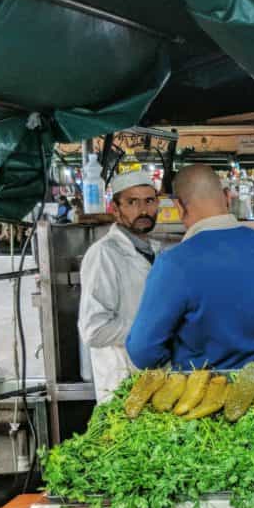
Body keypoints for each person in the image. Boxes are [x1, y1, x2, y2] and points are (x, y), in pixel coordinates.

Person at [126, 165, 254, 370]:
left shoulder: (173, 264)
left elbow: (143, 352)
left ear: (179, 206)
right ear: (227, 197)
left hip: (200, 396)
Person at [78, 170, 160, 403]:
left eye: (149, 201)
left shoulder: (157, 251)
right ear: (115, 208)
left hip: (154, 381)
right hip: (121, 383)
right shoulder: (104, 254)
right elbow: (94, 329)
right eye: (132, 202)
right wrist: (153, 330)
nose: (143, 210)